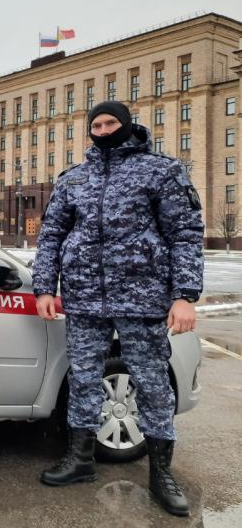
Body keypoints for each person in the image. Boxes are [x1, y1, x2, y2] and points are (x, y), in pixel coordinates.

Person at [32, 101, 204, 517]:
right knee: (85, 378)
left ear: (128, 125)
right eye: (96, 124)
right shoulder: (74, 178)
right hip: (85, 298)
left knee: (152, 384)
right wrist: (44, 288)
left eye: (111, 123)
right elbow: (52, 235)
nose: (104, 129)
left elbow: (184, 232)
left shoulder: (161, 171)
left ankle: (161, 473)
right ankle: (80, 460)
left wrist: (184, 295)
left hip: (142, 298)